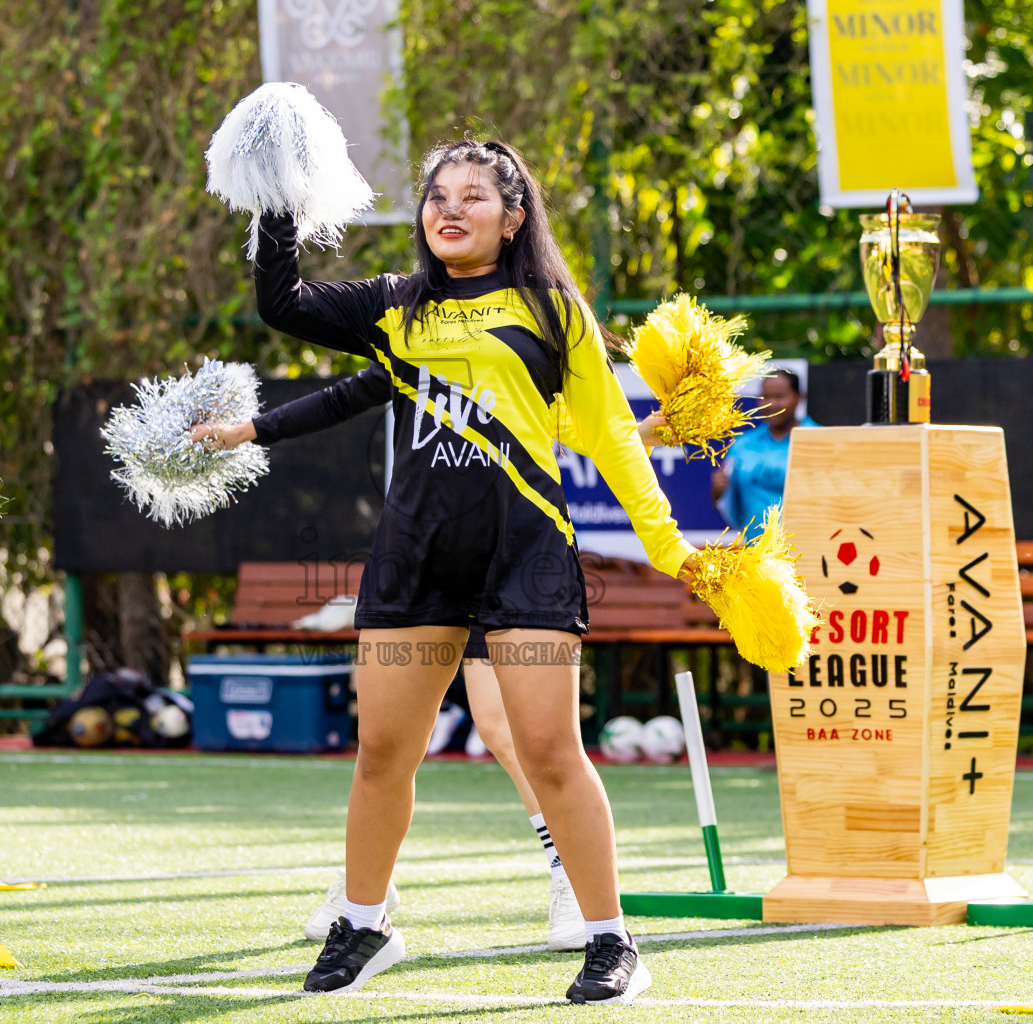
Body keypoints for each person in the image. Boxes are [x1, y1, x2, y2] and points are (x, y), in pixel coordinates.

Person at [248, 138, 702, 1004]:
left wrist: (673, 547)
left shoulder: (552, 310)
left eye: (474, 198)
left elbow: (607, 436)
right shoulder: (393, 306)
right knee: (383, 751)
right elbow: (282, 302)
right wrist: (272, 192)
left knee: (549, 750)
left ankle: (611, 940)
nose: (450, 210)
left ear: (514, 217)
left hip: (523, 555)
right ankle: (365, 922)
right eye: (437, 197)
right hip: (416, 557)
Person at [195, 370, 673, 954]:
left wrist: (640, 433)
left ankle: (568, 878)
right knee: (391, 741)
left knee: (504, 729)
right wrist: (248, 429)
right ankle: (364, 890)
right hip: (426, 562)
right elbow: (342, 396)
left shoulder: (527, 337)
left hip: (509, 559)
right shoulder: (414, 339)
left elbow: (576, 426)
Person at [713, 368, 816, 535]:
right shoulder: (742, 445)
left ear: (799, 397)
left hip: (805, 550)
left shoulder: (818, 440)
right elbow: (727, 506)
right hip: (755, 552)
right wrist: (718, 490)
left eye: (779, 397)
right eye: (765, 397)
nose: (771, 404)